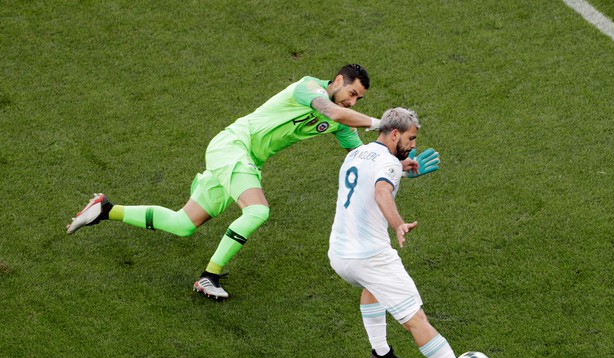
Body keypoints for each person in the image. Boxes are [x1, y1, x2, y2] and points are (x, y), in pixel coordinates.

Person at [67, 64, 436, 300]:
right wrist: (382, 125)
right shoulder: (308, 87)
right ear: (337, 81)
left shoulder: (342, 122)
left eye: (360, 98)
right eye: (353, 93)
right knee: (258, 209)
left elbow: (361, 157)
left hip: (244, 160)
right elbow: (335, 110)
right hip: (233, 147)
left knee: (183, 224)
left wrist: (400, 164)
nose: (354, 100)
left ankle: (105, 209)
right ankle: (208, 276)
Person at [328, 107, 495, 358]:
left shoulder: (356, 154)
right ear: (395, 134)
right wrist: (398, 224)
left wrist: (402, 169)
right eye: (411, 138)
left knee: (372, 287)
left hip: (340, 256)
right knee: (415, 318)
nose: (414, 145)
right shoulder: (389, 166)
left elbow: (372, 180)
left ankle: (382, 355)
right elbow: (381, 192)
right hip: (372, 257)